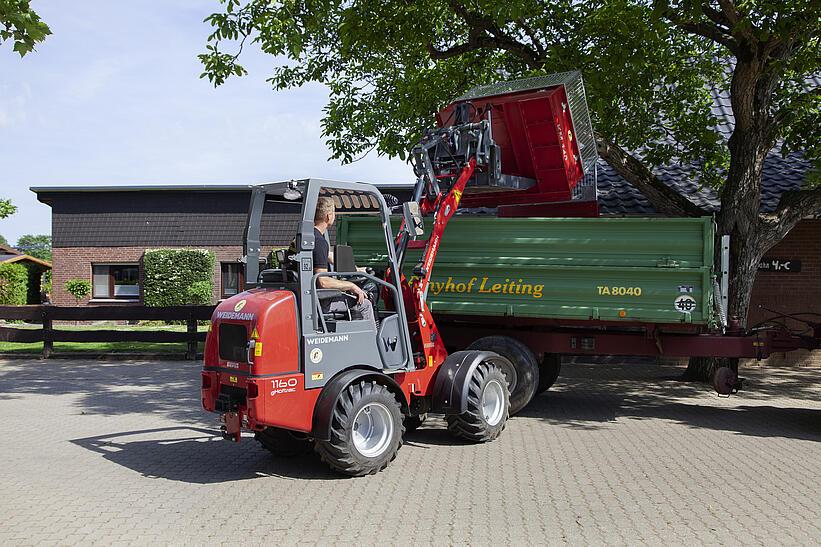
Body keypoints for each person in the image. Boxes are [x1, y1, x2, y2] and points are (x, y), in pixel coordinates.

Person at [312, 196, 375, 326]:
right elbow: (323, 282)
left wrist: (357, 269)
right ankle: (371, 344)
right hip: (318, 301)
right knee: (365, 304)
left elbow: (329, 257)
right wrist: (352, 286)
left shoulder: (305, 238)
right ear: (329, 216)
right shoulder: (319, 242)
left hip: (307, 297)